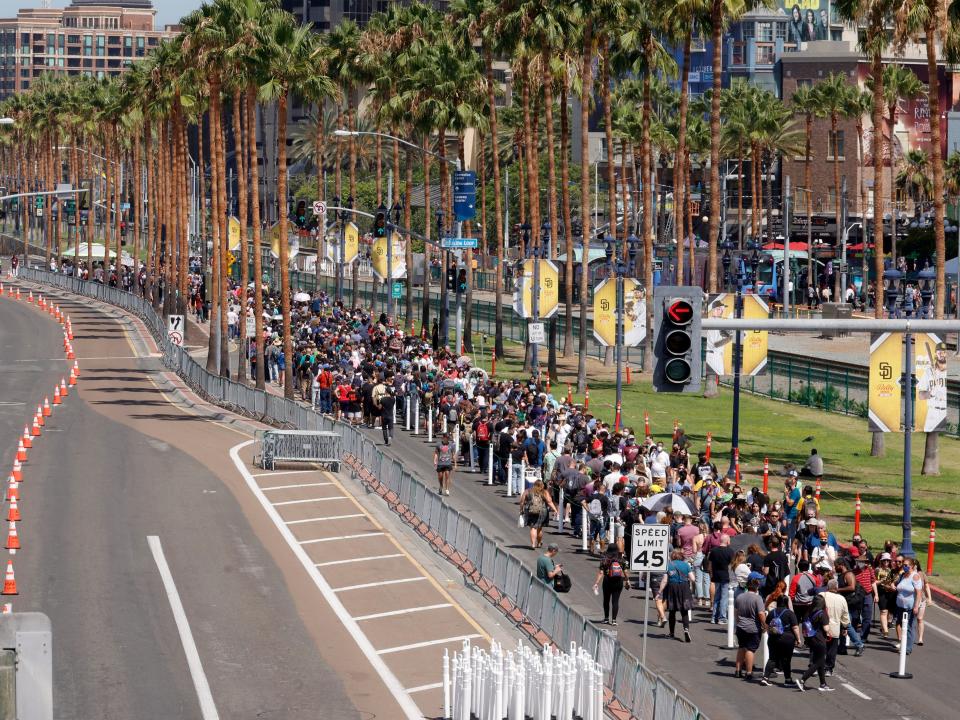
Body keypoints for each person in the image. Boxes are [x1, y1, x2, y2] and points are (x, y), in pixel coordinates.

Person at [759, 594, 802, 687]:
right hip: (787, 639)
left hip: (773, 639)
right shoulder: (790, 613)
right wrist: (798, 639)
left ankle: (765, 678)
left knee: (772, 658)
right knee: (786, 659)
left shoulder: (772, 612)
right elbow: (795, 627)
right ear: (786, 603)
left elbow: (766, 625)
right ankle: (787, 679)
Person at [796, 594, 832, 692]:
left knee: (820, 661)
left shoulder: (808, 612)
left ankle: (823, 684)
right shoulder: (822, 613)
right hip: (820, 640)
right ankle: (803, 679)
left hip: (811, 639)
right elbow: (826, 628)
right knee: (819, 662)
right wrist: (830, 630)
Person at [734, 577, 767, 681]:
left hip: (741, 627)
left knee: (741, 647)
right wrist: (765, 625)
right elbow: (761, 613)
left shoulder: (740, 597)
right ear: (756, 587)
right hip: (753, 628)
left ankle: (738, 671)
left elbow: (736, 611)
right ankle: (749, 672)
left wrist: (738, 622)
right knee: (750, 650)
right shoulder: (758, 599)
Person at [659, 549, 695, 642]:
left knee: (672, 611)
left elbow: (665, 580)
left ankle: (672, 633)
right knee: (684, 611)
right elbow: (692, 578)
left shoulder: (669, 565)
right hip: (684, 587)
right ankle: (686, 629)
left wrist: (660, 591)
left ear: (672, 557)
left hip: (672, 588)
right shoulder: (686, 565)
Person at [593, 544, 630, 626]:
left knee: (606, 600)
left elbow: (601, 572)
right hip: (618, 581)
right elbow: (626, 571)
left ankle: (606, 618)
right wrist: (627, 580)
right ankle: (614, 620)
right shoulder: (621, 559)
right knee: (615, 601)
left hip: (607, 580)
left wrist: (596, 583)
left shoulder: (604, 559)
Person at [823, 578, 853, 674]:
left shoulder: (822, 596)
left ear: (828, 587)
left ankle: (816, 666)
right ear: (837, 587)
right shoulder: (841, 599)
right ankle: (828, 668)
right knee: (832, 649)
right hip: (835, 628)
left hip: (821, 626)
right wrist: (845, 627)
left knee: (819, 648)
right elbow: (845, 615)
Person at [519, 479, 558, 550]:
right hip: (542, 511)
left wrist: (521, 510)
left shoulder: (528, 491)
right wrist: (555, 510)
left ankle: (533, 544)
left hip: (531, 510)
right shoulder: (544, 492)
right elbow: (549, 502)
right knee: (539, 528)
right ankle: (539, 543)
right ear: (542, 485)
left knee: (533, 527)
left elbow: (522, 501)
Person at [895, 557, 923, 654]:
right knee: (902, 626)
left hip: (910, 607)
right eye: (903, 564)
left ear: (911, 566)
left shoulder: (915, 577)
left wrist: (916, 606)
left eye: (906, 565)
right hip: (900, 606)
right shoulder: (903, 575)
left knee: (910, 627)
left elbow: (919, 593)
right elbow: (899, 588)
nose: (904, 566)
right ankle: (903, 644)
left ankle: (908, 648)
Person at [706, 534, 734, 624]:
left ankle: (714, 617)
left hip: (716, 576)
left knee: (717, 597)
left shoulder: (713, 551)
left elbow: (709, 565)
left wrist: (711, 574)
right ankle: (722, 617)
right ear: (727, 541)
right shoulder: (730, 551)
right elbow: (732, 565)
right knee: (724, 597)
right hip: (725, 576)